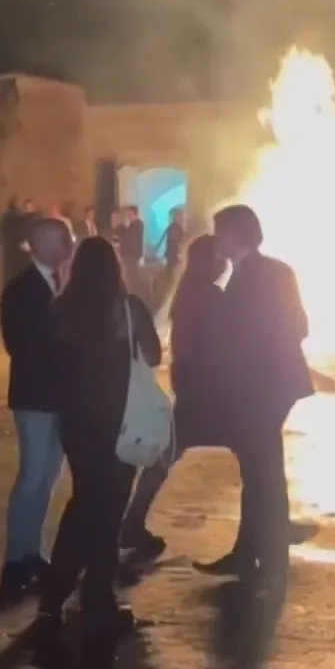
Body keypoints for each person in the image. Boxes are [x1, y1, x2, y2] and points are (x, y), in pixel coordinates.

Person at [37, 237, 160, 631]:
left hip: (77, 420)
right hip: (119, 418)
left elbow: (49, 364)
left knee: (84, 500)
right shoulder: (128, 310)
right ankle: (97, 596)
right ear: (115, 267)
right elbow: (155, 355)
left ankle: (54, 595)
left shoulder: (60, 309)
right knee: (109, 509)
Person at [196, 205, 312, 581]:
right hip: (277, 384)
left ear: (235, 234)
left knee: (261, 472)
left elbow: (243, 339)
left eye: (220, 233)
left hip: (258, 388)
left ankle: (267, 557)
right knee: (262, 471)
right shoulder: (277, 270)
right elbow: (301, 326)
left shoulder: (248, 278)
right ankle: (255, 553)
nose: (217, 241)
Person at [121, 234, 229, 558]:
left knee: (167, 455)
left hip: (194, 387)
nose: (223, 264)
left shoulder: (188, 292)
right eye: (218, 258)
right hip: (206, 391)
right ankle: (131, 521)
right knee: (254, 454)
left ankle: (132, 521)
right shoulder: (207, 295)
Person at [0, 217, 73, 593]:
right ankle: (15, 559)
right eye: (62, 239)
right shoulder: (22, 289)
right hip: (35, 395)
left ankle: (32, 553)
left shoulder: (60, 283)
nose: (68, 245)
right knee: (31, 477)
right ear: (40, 244)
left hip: (58, 395)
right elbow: (20, 344)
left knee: (46, 478)